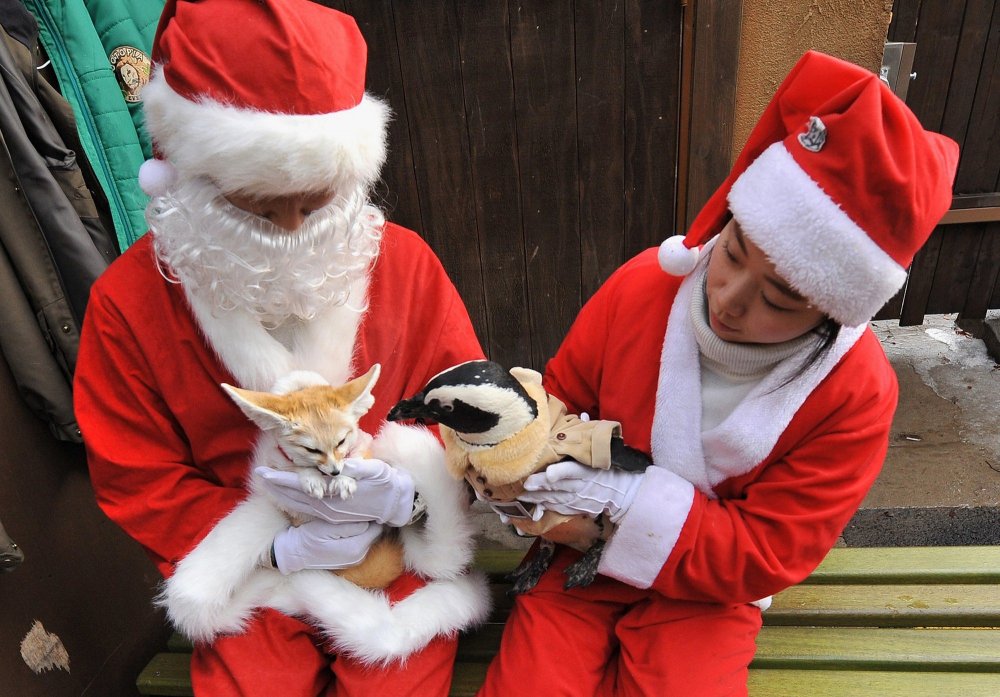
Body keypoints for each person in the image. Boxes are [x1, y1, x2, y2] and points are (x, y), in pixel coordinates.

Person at [476, 50, 959, 696]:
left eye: (781, 298)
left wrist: (614, 509)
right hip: (574, 564)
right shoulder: (646, 286)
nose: (729, 297)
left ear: (834, 308)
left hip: (709, 594)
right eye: (733, 251)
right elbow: (562, 400)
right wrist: (519, 470)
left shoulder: (856, 394)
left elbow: (767, 552)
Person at [73, 1, 490, 695]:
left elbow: (464, 408)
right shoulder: (127, 305)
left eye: (317, 200)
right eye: (260, 206)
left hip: (393, 556)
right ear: (194, 173)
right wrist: (269, 539)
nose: (293, 228)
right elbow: (136, 471)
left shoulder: (407, 265)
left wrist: (407, 489)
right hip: (255, 568)